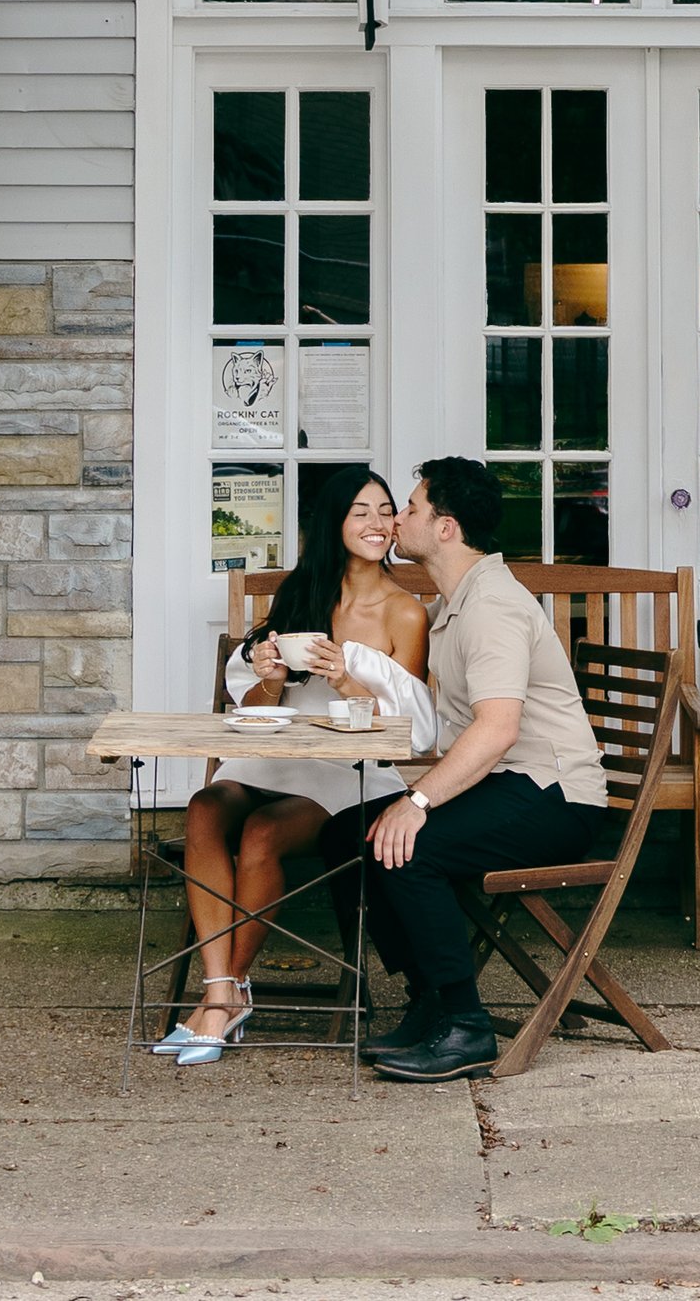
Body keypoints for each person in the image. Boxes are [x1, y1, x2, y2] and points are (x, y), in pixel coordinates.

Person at [162, 463, 431, 1063]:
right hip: (277, 755)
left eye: (386, 511)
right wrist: (269, 676)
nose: (378, 523)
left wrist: (345, 677)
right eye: (361, 512)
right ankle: (222, 988)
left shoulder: (404, 612)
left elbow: (405, 726)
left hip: (347, 770)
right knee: (206, 806)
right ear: (333, 523)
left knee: (261, 832)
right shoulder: (301, 592)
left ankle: (220, 1002)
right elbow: (260, 706)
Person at [362, 455, 612, 1081]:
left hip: (555, 797)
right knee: (357, 830)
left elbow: (497, 731)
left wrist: (416, 803)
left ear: (445, 527)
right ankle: (430, 1004)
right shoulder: (460, 601)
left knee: (409, 846)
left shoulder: (491, 607)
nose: (398, 520)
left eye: (412, 509)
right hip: (516, 785)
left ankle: (466, 1027)